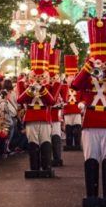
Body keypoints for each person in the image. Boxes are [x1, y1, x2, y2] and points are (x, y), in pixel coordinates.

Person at [71, 0, 106, 207]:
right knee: (91, 158)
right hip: (90, 122)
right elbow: (75, 85)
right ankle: (92, 194)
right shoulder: (87, 75)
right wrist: (88, 67)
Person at [16, 40, 56, 178]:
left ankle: (46, 166)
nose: (38, 79)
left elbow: (52, 101)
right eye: (36, 76)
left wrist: (43, 90)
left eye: (41, 77)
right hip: (31, 115)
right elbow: (20, 100)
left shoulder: (50, 86)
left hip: (44, 116)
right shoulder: (25, 86)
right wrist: (30, 90)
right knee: (32, 142)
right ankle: (34, 167)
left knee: (45, 140)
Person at [62, 53, 83, 151]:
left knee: (77, 128)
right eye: (69, 76)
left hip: (76, 109)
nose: (71, 78)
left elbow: (83, 97)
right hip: (67, 109)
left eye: (73, 76)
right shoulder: (62, 87)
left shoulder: (79, 87)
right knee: (69, 128)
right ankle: (69, 144)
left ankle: (77, 144)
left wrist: (82, 103)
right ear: (66, 78)